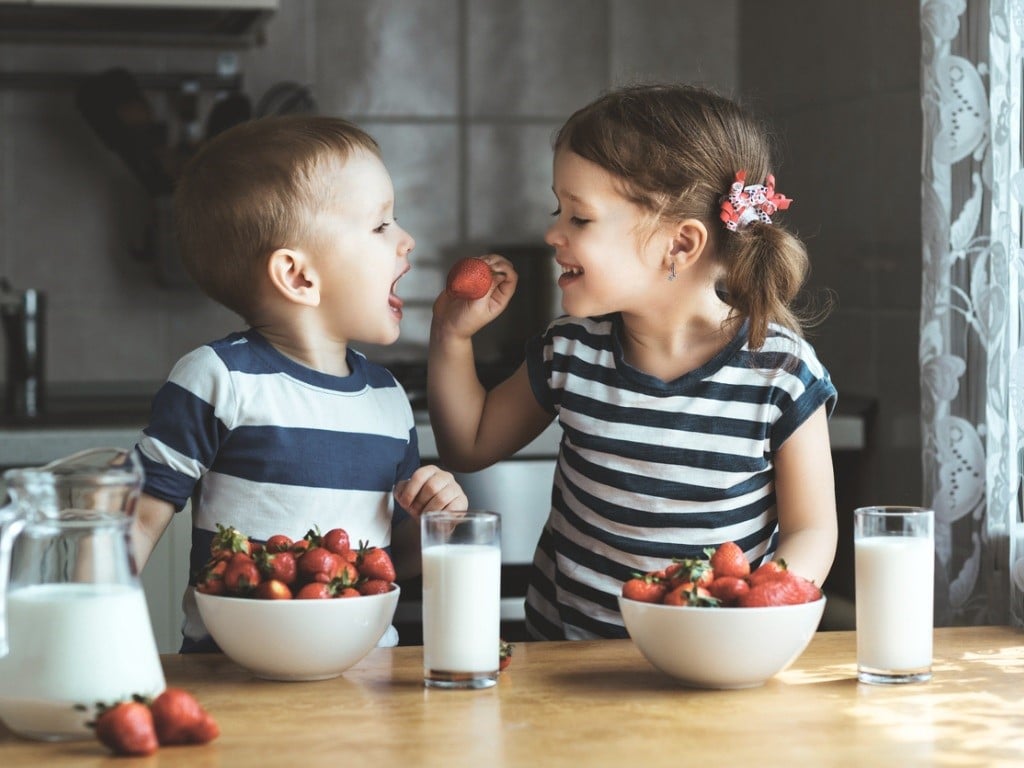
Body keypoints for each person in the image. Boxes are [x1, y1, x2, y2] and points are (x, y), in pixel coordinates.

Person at [428, 83, 838, 641]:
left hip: (708, 661)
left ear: (681, 244)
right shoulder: (570, 351)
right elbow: (468, 444)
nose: (553, 233)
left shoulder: (779, 374)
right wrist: (451, 336)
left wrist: (757, 614)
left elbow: (813, 530)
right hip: (566, 667)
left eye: (580, 218)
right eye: (559, 210)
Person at [131, 115, 467, 652]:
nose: (407, 241)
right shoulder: (219, 380)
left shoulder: (388, 399)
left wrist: (436, 528)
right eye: (381, 226)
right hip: (233, 682)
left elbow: (385, 562)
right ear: (298, 276)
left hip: (365, 683)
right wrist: (88, 630)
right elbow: (137, 520)